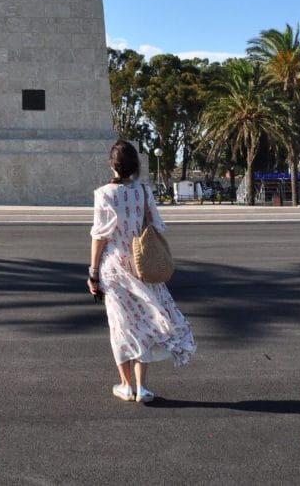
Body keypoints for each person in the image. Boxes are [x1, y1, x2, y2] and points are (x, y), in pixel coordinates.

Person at [87, 139, 195, 403]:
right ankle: (142, 387)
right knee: (144, 324)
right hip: (141, 266)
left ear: (111, 164)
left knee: (121, 327)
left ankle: (125, 385)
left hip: (115, 268)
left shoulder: (103, 194)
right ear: (134, 165)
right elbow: (156, 225)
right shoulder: (144, 192)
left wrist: (92, 272)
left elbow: (100, 236)